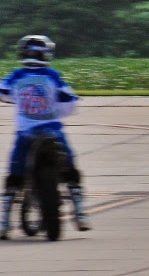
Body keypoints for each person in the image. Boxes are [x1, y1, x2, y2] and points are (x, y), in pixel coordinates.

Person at [0, 35, 89, 237]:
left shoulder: (16, 76)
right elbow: (68, 101)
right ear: (47, 54)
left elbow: (2, 91)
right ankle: (80, 210)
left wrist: (14, 98)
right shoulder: (52, 76)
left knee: (15, 173)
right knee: (69, 166)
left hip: (26, 134)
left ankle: (4, 220)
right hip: (52, 130)